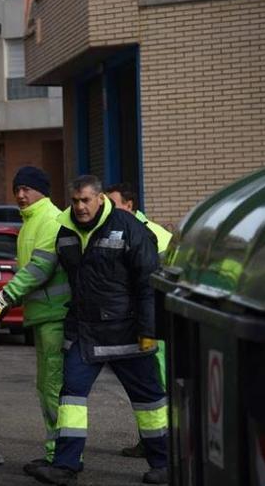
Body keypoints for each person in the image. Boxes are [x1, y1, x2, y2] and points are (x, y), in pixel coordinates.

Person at [32, 175, 168, 485]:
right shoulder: (65, 231)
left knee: (149, 401)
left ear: (100, 200)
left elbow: (148, 284)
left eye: (86, 200)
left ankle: (164, 463)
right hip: (85, 333)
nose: (80, 206)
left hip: (128, 333)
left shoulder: (130, 228)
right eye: (75, 200)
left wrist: (149, 331)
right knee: (71, 399)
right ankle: (65, 467)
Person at [0, 167, 70, 478]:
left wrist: (3, 298)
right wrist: (9, 304)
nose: (20, 194)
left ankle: (63, 457)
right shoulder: (30, 223)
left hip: (55, 317)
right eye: (18, 189)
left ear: (43, 190)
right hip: (44, 316)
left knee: (54, 388)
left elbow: (39, 270)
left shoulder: (50, 220)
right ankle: (56, 453)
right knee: (47, 387)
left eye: (28, 189)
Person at [106, 182, 172, 459]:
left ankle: (164, 444)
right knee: (149, 388)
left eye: (112, 203)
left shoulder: (154, 234)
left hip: (154, 321)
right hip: (140, 320)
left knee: (157, 386)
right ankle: (152, 441)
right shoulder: (120, 232)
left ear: (129, 205)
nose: (107, 209)